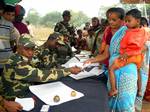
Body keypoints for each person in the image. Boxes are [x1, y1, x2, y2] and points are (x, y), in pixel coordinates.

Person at [1, 34, 81, 100]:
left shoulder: (21, 58)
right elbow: (42, 75)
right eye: (26, 49)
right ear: (18, 48)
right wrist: (69, 70)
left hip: (25, 93)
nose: (30, 53)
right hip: (15, 100)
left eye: (32, 49)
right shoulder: (17, 63)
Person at [108, 9, 147, 97]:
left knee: (111, 69)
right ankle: (140, 90)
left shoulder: (130, 32)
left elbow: (136, 47)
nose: (126, 23)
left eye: (129, 21)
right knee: (138, 71)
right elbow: (143, 45)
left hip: (128, 57)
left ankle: (113, 90)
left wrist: (127, 54)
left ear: (137, 21)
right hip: (138, 57)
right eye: (126, 21)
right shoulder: (143, 31)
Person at [0, 4, 19, 75]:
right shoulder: (10, 25)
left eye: (13, 15)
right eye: (8, 14)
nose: (10, 17)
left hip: (6, 57)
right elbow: (12, 41)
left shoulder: (10, 25)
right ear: (2, 14)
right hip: (6, 58)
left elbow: (12, 40)